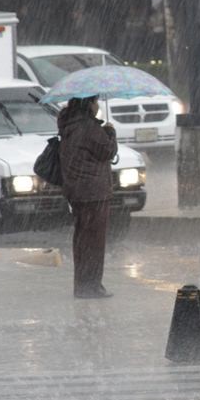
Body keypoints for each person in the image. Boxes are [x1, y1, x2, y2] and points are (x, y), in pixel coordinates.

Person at [58, 96, 118, 299]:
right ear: (89, 105)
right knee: (94, 241)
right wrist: (110, 132)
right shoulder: (88, 127)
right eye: (96, 102)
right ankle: (91, 286)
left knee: (82, 239)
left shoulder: (69, 125)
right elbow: (107, 151)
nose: (98, 105)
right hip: (93, 192)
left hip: (77, 191)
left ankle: (82, 284)